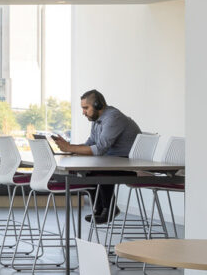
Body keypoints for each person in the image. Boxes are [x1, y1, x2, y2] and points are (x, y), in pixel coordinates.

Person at [51, 88, 141, 223]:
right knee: (85, 170)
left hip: (129, 163)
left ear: (98, 105)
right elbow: (91, 143)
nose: (83, 112)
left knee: (97, 170)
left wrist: (70, 148)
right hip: (111, 161)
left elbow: (100, 149)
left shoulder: (114, 118)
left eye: (86, 108)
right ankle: (99, 208)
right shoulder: (97, 120)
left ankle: (108, 209)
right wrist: (70, 150)